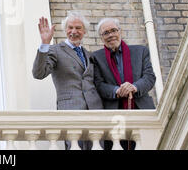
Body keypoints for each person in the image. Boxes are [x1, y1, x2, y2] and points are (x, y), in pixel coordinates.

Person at [32, 11, 103, 150]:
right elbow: (38, 73)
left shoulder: (89, 55)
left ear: (84, 31)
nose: (74, 31)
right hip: (71, 110)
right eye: (70, 27)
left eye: (78, 28)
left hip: (95, 112)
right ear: (65, 30)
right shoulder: (55, 50)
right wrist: (44, 44)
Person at [91, 17, 156, 150]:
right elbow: (98, 85)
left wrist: (134, 87)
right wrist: (117, 90)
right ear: (101, 37)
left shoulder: (140, 51)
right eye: (106, 33)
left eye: (113, 30)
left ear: (120, 31)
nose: (110, 35)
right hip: (114, 115)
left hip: (141, 110)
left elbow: (149, 77)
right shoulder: (96, 57)